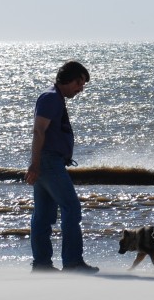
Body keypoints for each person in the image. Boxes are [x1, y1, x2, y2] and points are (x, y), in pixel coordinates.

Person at [24, 61, 99, 274]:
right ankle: (72, 262)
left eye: (83, 84)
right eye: (79, 82)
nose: (80, 88)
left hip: (48, 161)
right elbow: (39, 131)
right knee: (71, 208)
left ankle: (42, 265)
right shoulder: (50, 98)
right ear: (67, 79)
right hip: (48, 161)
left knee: (44, 215)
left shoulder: (54, 98)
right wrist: (35, 164)